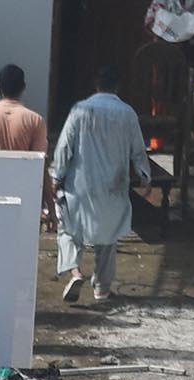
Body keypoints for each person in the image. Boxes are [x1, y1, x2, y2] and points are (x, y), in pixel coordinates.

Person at [48, 66, 150, 304]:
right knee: (108, 237)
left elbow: (64, 147)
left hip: (80, 184)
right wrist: (145, 177)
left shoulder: (80, 110)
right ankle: (101, 290)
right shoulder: (128, 113)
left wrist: (56, 176)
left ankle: (74, 271)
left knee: (69, 229)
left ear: (96, 85)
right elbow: (138, 150)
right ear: (117, 87)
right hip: (113, 187)